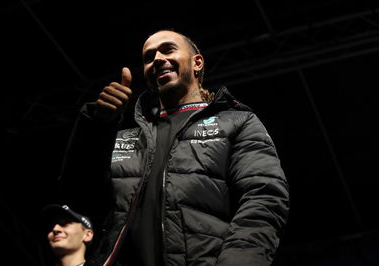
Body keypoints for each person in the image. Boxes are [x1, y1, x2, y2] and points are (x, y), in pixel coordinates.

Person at [58, 29, 290, 266]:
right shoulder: (125, 137)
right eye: (149, 57)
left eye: (168, 49)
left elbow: (263, 197)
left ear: (197, 63)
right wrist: (98, 127)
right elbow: (76, 199)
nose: (157, 59)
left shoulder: (237, 122)